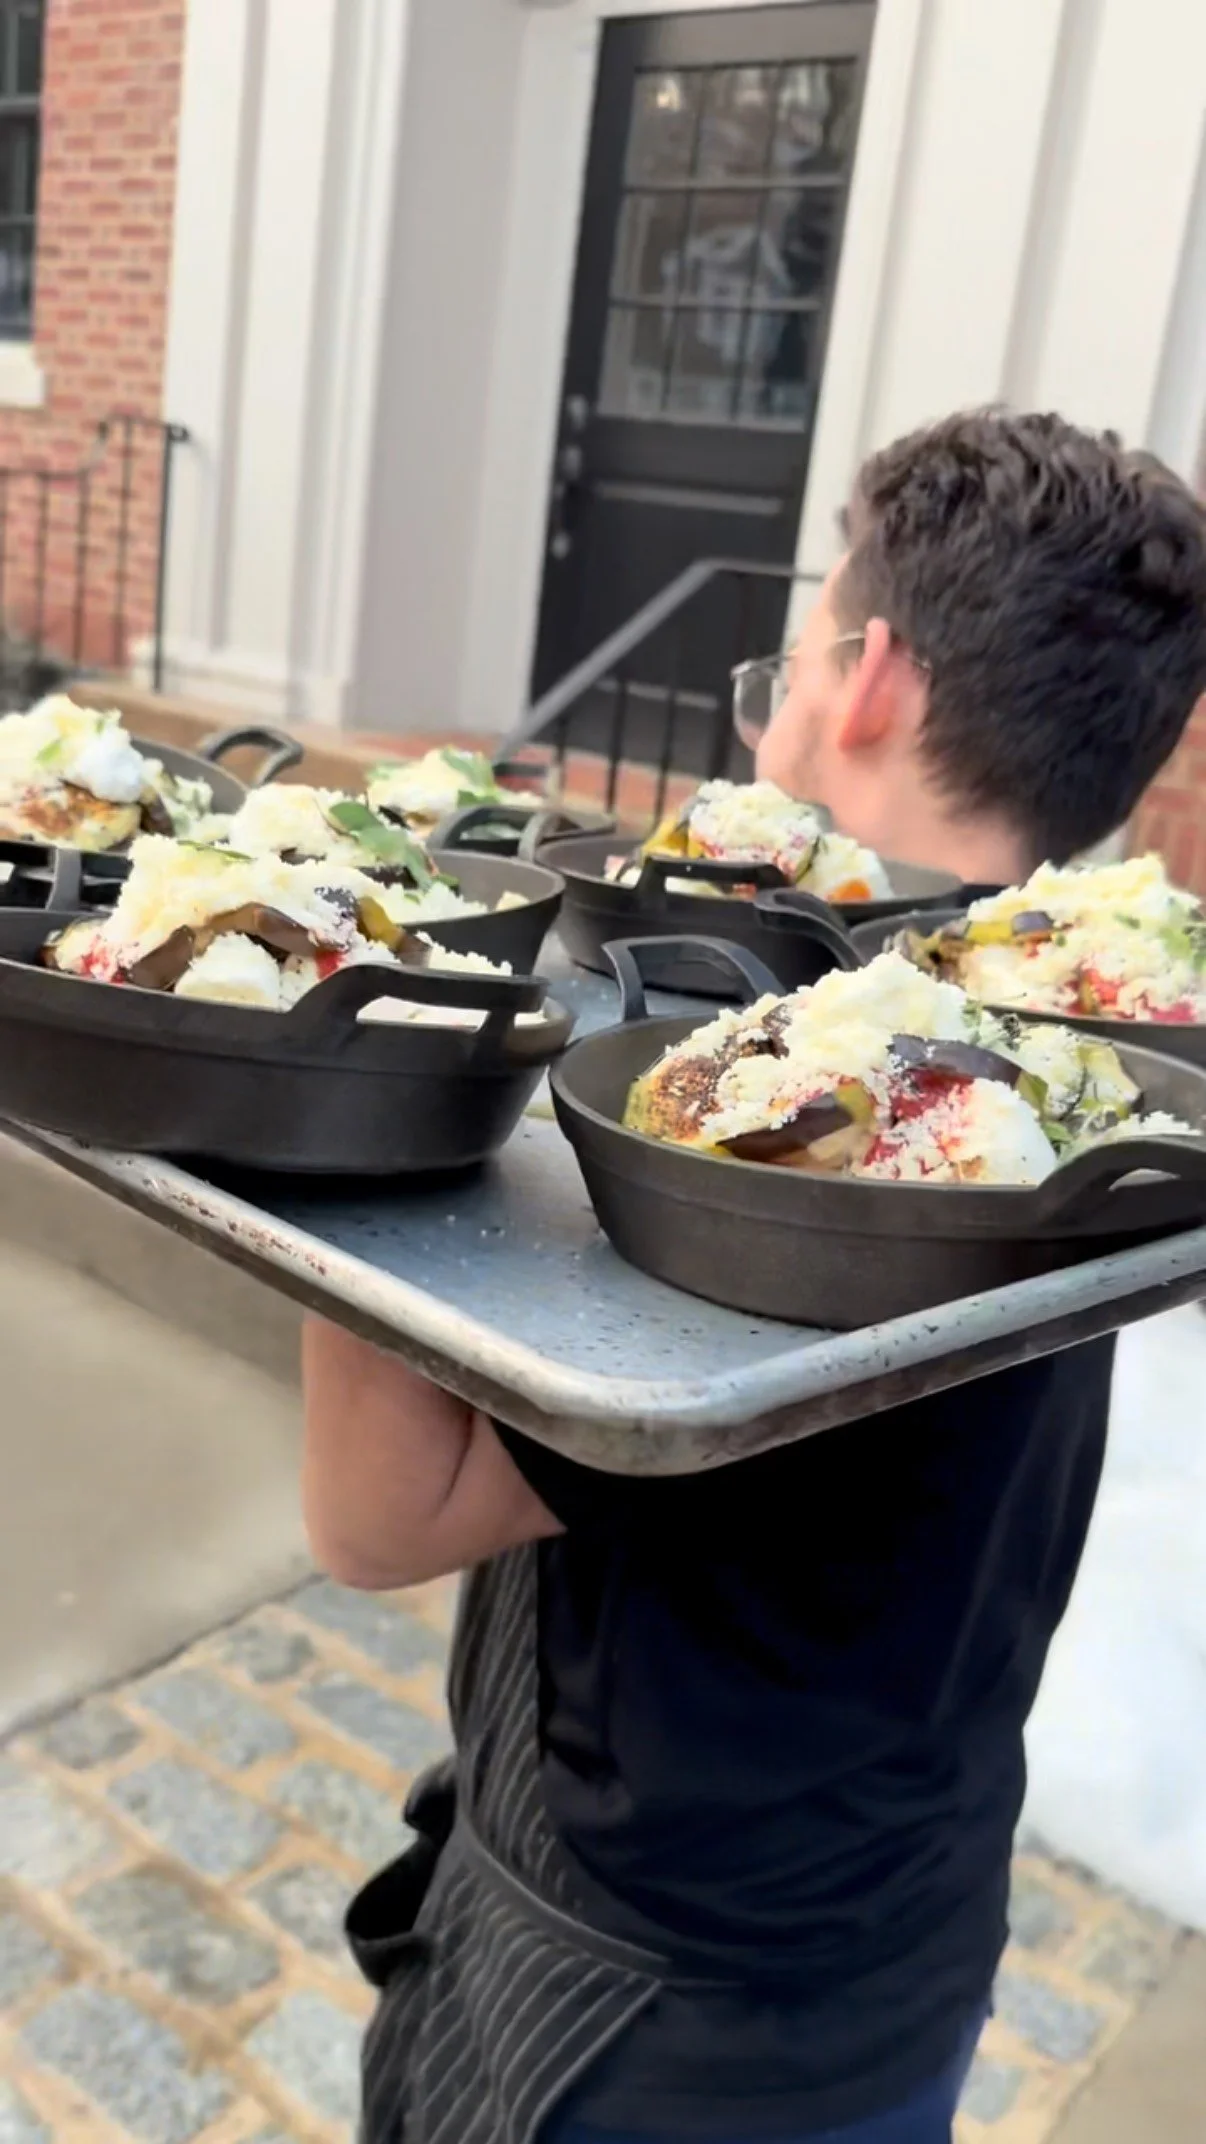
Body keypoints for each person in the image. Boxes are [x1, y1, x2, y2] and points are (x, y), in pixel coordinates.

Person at [302, 408, 1206, 2144]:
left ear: (865, 682)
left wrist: (343, 1063)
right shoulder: (1091, 1063)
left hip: (648, 2012)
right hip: (900, 1933)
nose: (767, 712)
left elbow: (377, 1517)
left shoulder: (798, 1097)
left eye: (788, 664)